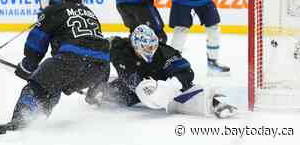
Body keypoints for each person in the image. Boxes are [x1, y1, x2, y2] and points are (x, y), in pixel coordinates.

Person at [0, 0, 110, 136]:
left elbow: (36, 41)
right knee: (54, 82)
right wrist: (94, 89)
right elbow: (95, 45)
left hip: (71, 61)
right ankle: (93, 95)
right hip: (100, 67)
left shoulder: (54, 10)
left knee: (40, 85)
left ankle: (22, 119)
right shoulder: (90, 13)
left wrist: (28, 66)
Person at [89, 25, 237, 118]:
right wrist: (98, 84)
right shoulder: (119, 49)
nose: (151, 50)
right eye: (146, 48)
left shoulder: (165, 53)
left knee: (183, 88)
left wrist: (172, 85)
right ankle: (102, 88)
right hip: (133, 86)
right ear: (135, 46)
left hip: (161, 83)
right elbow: (101, 59)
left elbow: (186, 72)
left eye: (153, 46)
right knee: (121, 97)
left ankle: (216, 104)